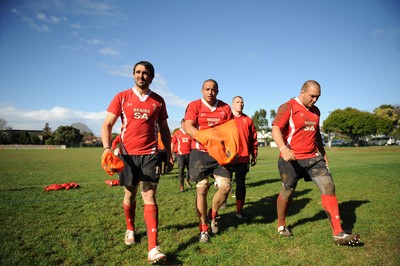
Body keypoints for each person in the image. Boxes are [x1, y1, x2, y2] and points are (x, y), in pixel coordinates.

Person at [101, 61, 174, 264]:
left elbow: (165, 130)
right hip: (126, 155)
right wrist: (107, 148)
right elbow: (107, 124)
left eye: (145, 73)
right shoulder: (122, 97)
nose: (141, 76)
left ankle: (153, 248)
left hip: (150, 154)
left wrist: (168, 153)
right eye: (138, 72)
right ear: (133, 75)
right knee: (129, 194)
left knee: (149, 196)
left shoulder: (158, 101)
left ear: (151, 77)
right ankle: (130, 228)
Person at [271, 80, 360, 246]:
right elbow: (276, 128)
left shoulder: (316, 111)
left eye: (317, 97)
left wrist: (323, 152)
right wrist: (283, 148)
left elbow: (316, 134)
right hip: (291, 159)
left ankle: (338, 234)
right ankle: (281, 224)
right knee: (288, 192)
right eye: (312, 96)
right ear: (302, 92)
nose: (315, 100)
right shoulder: (288, 107)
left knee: (329, 187)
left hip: (314, 158)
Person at [184, 79, 234, 243]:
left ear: (217, 91)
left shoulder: (225, 107)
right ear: (202, 90)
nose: (210, 92)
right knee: (202, 188)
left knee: (226, 187)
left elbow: (231, 129)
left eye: (213, 89)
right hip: (199, 152)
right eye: (207, 89)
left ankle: (212, 215)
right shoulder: (194, 106)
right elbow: (188, 126)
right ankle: (203, 228)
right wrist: (206, 138)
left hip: (219, 154)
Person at [229, 96, 258, 219]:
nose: (240, 104)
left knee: (241, 185)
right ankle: (220, 206)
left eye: (242, 102)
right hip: (228, 158)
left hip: (243, 157)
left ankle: (239, 211)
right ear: (232, 104)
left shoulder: (248, 120)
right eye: (238, 102)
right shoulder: (226, 118)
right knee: (225, 185)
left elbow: (253, 139)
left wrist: (254, 154)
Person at [171, 119, 192, 192]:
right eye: (183, 125)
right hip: (180, 154)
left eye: (185, 125)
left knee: (190, 169)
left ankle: (187, 180)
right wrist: (171, 153)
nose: (184, 126)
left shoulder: (189, 133)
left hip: (189, 153)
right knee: (181, 170)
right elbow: (173, 143)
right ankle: (181, 187)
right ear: (181, 124)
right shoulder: (177, 133)